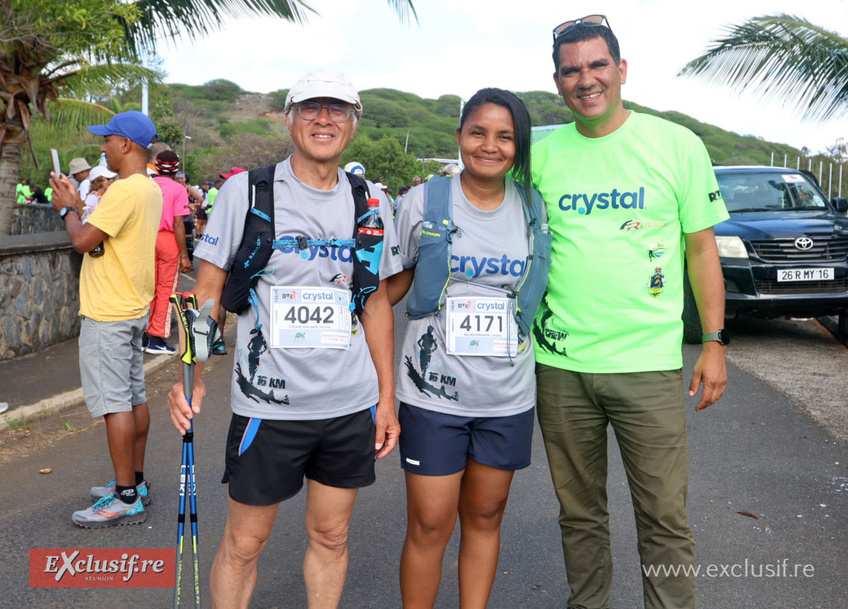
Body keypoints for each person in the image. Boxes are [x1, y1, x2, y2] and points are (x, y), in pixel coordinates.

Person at [167, 71, 402, 609]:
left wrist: (386, 399)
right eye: (312, 109)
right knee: (245, 543)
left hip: (349, 403)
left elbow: (376, 303)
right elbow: (208, 292)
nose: (325, 120)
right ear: (290, 119)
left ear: (354, 125)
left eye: (337, 110)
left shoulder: (372, 201)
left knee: (332, 537)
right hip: (267, 407)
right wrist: (191, 378)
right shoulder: (246, 191)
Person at [531, 16, 730, 609]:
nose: (585, 79)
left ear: (621, 70)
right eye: (572, 70)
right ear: (558, 80)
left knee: (664, 517)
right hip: (559, 365)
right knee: (579, 514)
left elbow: (701, 249)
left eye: (597, 65)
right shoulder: (538, 152)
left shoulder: (677, 144)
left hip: (647, 365)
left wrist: (715, 342)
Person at [388, 87, 551, 609]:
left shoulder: (533, 207)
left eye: (505, 137)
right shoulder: (425, 201)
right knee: (430, 522)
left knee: (484, 517)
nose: (490, 145)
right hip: (432, 394)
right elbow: (384, 285)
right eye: (478, 132)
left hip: (506, 395)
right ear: (459, 136)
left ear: (519, 146)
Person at [49, 111, 161, 528]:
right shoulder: (148, 190)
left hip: (108, 312)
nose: (103, 148)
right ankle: (136, 482)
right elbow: (104, 246)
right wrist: (78, 206)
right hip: (132, 307)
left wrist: (67, 209)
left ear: (127, 145)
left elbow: (81, 242)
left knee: (115, 404)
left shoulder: (123, 192)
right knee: (133, 396)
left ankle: (125, 496)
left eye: (108, 140)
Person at [142, 150, 194, 355]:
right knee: (166, 289)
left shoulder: (147, 185)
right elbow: (178, 223)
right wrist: (184, 255)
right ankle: (156, 337)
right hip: (168, 240)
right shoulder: (178, 189)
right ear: (176, 168)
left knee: (148, 288)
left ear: (157, 165)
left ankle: (145, 334)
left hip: (146, 238)